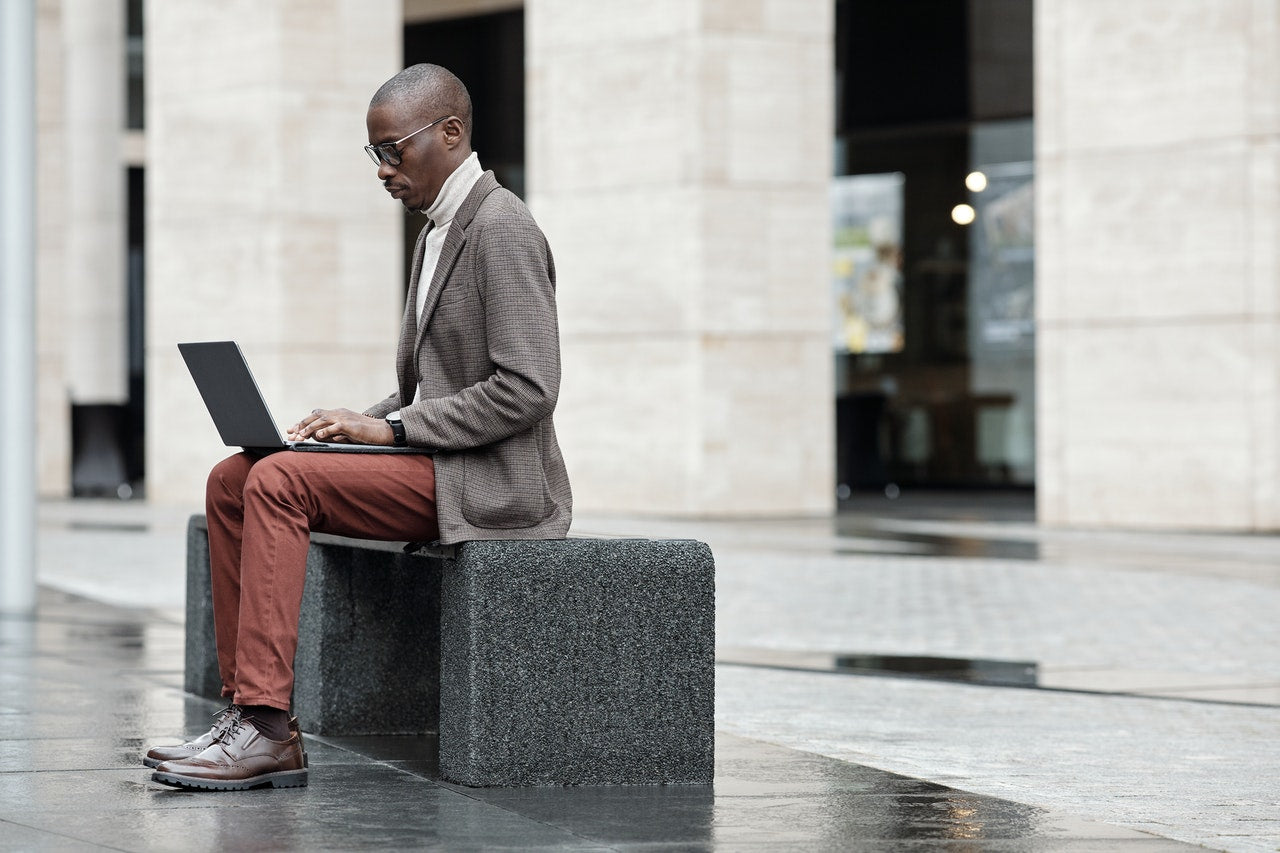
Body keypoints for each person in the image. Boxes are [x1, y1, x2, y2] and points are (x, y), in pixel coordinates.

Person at [145, 63, 573, 791]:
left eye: (392, 150)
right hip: (437, 463)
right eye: (373, 153)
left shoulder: (503, 228)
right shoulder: (435, 234)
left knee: (279, 482)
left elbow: (528, 388)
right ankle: (239, 711)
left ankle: (268, 727)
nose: (382, 170)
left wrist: (396, 431)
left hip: (492, 485)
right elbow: (432, 386)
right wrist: (359, 422)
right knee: (232, 479)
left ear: (451, 133)